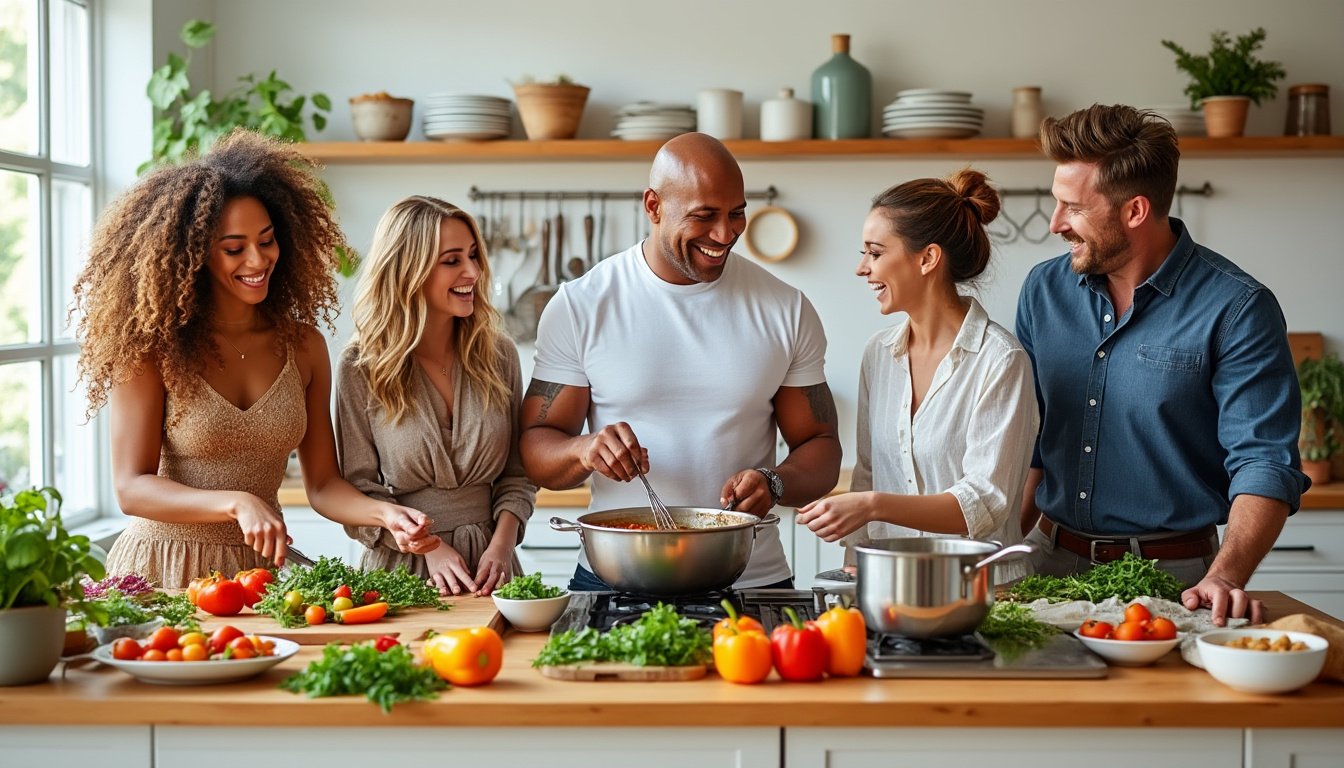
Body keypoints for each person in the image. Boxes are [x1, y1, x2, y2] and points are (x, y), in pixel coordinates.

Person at [72, 129, 439, 588]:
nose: (257, 259)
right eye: (233, 248)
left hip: (256, 579)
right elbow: (132, 488)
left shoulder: (303, 345)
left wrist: (387, 515)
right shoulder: (154, 349)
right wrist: (237, 502)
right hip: (163, 568)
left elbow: (323, 485)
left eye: (266, 240)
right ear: (193, 256)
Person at [1016, 104, 1309, 624]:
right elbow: (1030, 440)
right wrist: (1002, 552)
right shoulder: (1044, 290)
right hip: (1049, 565)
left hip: (1177, 581)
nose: (1056, 223)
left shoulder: (1237, 307)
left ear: (1134, 211)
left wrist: (1225, 576)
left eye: (1074, 208)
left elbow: (1264, 462)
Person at [520, 132, 842, 591]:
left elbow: (822, 447)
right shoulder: (581, 304)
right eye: (704, 216)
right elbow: (536, 447)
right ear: (653, 206)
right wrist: (584, 449)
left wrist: (774, 482)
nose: (725, 234)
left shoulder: (785, 308)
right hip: (616, 576)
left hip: (752, 581)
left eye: (736, 213)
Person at [796, 169, 1038, 583]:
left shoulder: (1001, 361)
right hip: (894, 586)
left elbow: (983, 503)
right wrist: (858, 561)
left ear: (927, 258)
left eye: (874, 253)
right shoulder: (879, 354)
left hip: (985, 594)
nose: (861, 268)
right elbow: (870, 472)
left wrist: (872, 505)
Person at [334, 196, 536, 596]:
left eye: (474, 256)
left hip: (490, 572)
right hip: (400, 570)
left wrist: (502, 544)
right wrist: (430, 547)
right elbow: (356, 489)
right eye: (452, 260)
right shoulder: (361, 365)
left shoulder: (498, 354)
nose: (473, 271)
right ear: (407, 270)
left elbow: (518, 472)